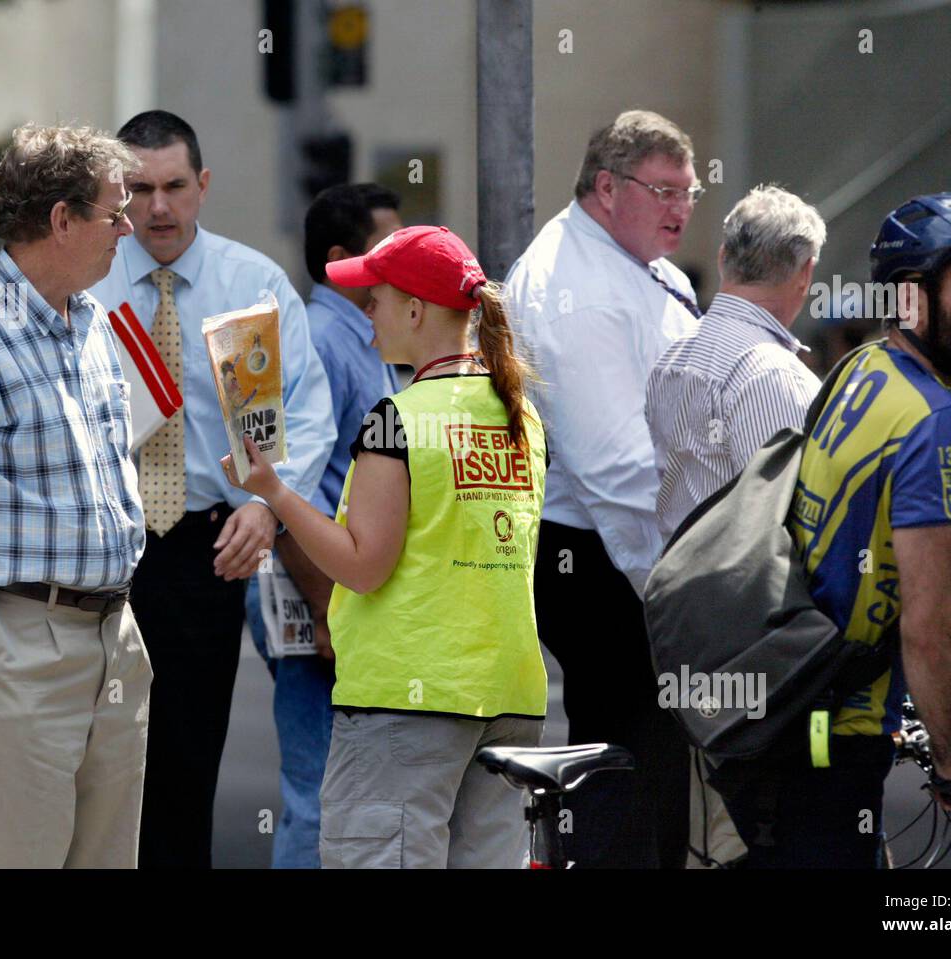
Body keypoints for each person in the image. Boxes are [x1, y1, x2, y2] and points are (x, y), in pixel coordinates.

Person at [224, 225, 549, 868]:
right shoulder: (519, 413)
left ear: (415, 310)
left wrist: (273, 493)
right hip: (508, 693)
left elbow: (363, 566)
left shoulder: (397, 418)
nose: (364, 311)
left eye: (373, 297)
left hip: (406, 696)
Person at [721, 192, 951, 868]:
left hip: (787, 707)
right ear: (911, 299)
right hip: (836, 734)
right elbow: (930, 620)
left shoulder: (863, 368)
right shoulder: (935, 419)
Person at [90, 109, 334, 869]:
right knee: (98, 766)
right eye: (138, 189)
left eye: (172, 187)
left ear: (202, 185)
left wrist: (267, 505)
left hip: (205, 547)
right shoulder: (88, 286)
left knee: (186, 764)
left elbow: (300, 414)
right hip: (102, 546)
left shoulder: (246, 286)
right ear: (116, 194)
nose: (157, 207)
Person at [0, 124, 152, 868]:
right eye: (114, 212)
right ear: (61, 220)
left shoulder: (95, 325)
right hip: (24, 638)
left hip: (116, 637)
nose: (128, 227)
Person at [504, 108, 701, 868]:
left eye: (689, 192)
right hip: (601, 559)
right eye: (665, 191)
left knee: (653, 763)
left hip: (640, 547)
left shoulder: (645, 265)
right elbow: (615, 470)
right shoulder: (574, 286)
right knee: (624, 764)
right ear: (608, 187)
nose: (682, 208)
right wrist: (675, 586)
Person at [645, 185, 826, 867]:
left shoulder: (673, 361)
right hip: (759, 644)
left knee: (710, 830)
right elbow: (784, 528)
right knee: (754, 835)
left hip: (684, 627)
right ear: (804, 271)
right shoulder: (778, 375)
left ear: (723, 257)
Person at [243, 182, 403, 868]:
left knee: (351, 793)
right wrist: (322, 606)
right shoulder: (315, 342)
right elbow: (279, 492)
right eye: (385, 246)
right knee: (319, 793)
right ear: (341, 259)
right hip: (317, 591)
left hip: (341, 591)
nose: (398, 258)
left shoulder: (365, 338)